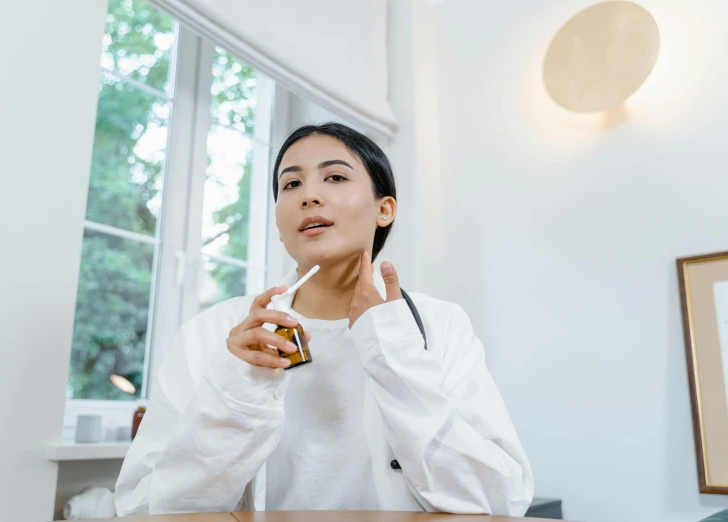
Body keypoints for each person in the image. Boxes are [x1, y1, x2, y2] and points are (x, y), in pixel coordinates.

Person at [114, 123, 534, 516]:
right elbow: (141, 509)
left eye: (334, 178)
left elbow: (501, 500)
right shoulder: (211, 333)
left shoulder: (441, 325)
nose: (308, 196)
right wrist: (238, 389)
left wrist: (394, 353)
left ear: (384, 209)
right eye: (291, 184)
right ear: (279, 222)